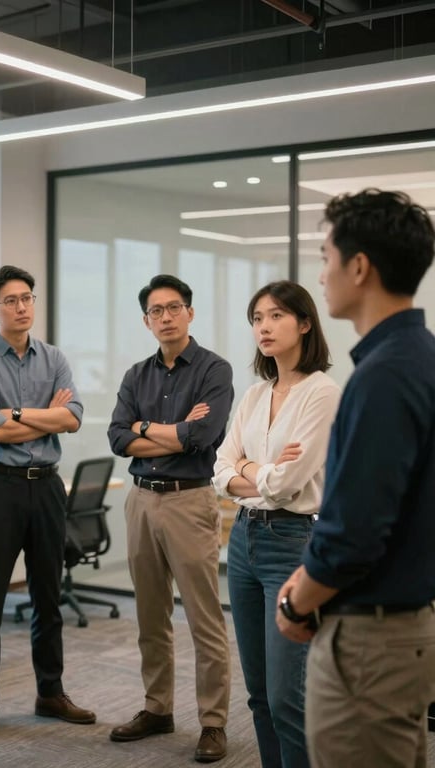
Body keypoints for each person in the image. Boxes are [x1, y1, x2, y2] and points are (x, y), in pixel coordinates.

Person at [276, 189, 435, 768]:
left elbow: (356, 533)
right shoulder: (420, 357)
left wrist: (298, 602)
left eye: (325, 258)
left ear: (359, 266)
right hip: (403, 627)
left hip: (369, 639)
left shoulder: (383, 378)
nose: (321, 276)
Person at [0, 265, 95, 738]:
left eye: (27, 298)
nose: (22, 307)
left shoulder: (53, 357)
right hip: (0, 486)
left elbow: (74, 417)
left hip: (48, 486)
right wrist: (44, 416)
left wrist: (18, 414)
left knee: (47, 597)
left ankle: (50, 691)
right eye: (11, 300)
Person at [107, 274, 233, 763]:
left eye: (174, 308)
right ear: (146, 320)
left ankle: (214, 722)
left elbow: (204, 436)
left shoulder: (213, 369)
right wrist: (166, 430)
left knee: (204, 618)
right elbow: (118, 438)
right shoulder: (136, 375)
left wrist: (165, 430)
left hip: (189, 501)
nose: (165, 317)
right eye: (156, 311)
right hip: (141, 500)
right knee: (150, 615)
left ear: (190, 313)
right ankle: (157, 708)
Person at [213, 281, 340, 768]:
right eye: (257, 318)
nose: (263, 327)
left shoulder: (322, 393)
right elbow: (218, 469)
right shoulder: (255, 393)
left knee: (290, 696)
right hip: (243, 540)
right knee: (259, 693)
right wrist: (252, 472)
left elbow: (288, 486)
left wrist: (247, 468)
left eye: (276, 316)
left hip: (292, 540)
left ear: (305, 323)